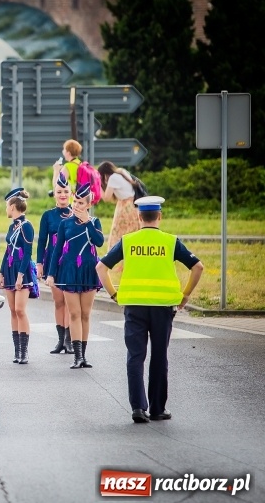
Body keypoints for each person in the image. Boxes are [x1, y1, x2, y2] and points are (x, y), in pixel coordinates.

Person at [96, 196, 204, 424]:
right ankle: (157, 408)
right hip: (163, 308)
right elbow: (198, 267)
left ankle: (137, 408)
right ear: (160, 216)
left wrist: (114, 294)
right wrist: (185, 295)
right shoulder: (170, 241)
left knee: (135, 356)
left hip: (134, 306)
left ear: (138, 216)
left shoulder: (128, 241)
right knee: (159, 357)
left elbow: (101, 267)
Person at [46, 183, 104, 369]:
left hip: (88, 271)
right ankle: (77, 357)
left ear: (88, 204)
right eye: (75, 201)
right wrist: (51, 273)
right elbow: (56, 251)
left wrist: (87, 222)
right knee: (74, 313)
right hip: (69, 271)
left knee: (86, 314)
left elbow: (100, 242)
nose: (76, 205)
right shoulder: (65, 223)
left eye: (81, 203)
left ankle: (84, 356)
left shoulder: (94, 222)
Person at [0, 188, 38, 364]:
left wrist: (21, 276)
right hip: (9, 270)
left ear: (13, 206)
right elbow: (8, 251)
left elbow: (28, 252)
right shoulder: (11, 225)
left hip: (21, 271)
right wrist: (1, 272)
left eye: (7, 205)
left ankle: (25, 351)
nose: (6, 209)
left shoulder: (27, 226)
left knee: (21, 310)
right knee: (13, 311)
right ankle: (17, 351)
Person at [38, 174, 74, 355]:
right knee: (58, 301)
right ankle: (60, 340)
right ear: (54, 194)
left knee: (69, 301)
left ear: (71, 193)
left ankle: (69, 340)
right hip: (52, 261)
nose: (62, 195)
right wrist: (39, 264)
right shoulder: (48, 216)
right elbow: (42, 241)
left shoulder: (76, 214)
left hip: (70, 263)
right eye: (59, 191)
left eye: (65, 191)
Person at [97, 161, 140, 273]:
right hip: (133, 206)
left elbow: (106, 198)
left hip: (124, 208)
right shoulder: (121, 171)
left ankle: (116, 264)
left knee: (117, 235)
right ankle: (132, 263)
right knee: (131, 235)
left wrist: (97, 185)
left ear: (104, 174)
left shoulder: (113, 178)